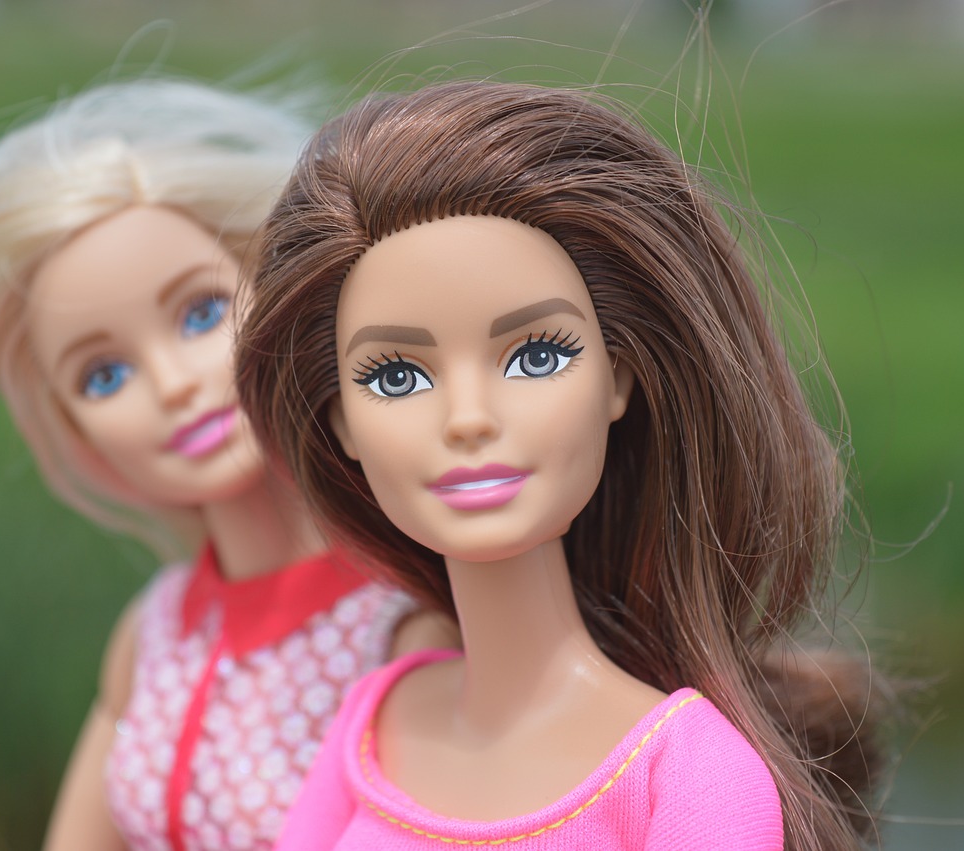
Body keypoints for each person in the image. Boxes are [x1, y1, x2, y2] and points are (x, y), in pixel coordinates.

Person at [236, 80, 883, 850]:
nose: (468, 418)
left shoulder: (687, 774)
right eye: (397, 376)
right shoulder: (375, 722)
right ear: (341, 420)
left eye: (536, 356)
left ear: (618, 378)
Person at [0, 78, 452, 851]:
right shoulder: (156, 632)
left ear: (275, 291)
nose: (173, 383)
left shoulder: (401, 627)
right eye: (103, 376)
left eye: (202, 312)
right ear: (78, 431)